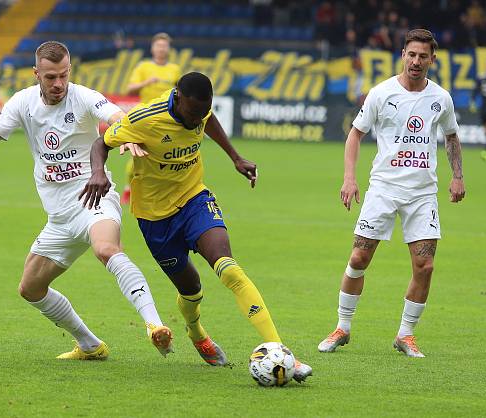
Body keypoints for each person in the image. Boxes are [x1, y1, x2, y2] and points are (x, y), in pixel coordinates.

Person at [80, 72, 313, 382]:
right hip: (154, 217)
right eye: (192, 114)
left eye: (202, 113)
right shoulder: (145, 118)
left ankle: (283, 353)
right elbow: (100, 143)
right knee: (190, 289)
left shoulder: (200, 111)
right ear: (178, 98)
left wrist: (235, 156)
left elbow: (210, 120)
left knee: (228, 267)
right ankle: (196, 332)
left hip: (193, 199)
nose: (196, 121)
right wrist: (98, 173)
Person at [0, 41, 173, 361]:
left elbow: (117, 115)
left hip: (95, 198)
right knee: (30, 289)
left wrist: (127, 136)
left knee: (106, 249)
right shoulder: (22, 102)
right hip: (59, 218)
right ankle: (90, 345)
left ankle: (154, 325)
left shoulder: (84, 96)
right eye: (50, 77)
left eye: (63, 75)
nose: (58, 84)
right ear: (36, 74)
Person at [316, 29, 466, 358]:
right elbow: (355, 135)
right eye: (411, 55)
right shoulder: (382, 93)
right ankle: (342, 326)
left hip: (422, 191)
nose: (416, 61)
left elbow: (451, 136)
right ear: (403, 55)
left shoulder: (441, 98)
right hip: (383, 188)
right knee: (359, 257)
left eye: (422, 56)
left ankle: (405, 335)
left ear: (432, 59)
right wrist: (349, 178)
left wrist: (457, 176)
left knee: (424, 266)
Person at [119, 32, 181, 204]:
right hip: (146, 118)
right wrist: (146, 83)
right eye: (158, 46)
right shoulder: (143, 67)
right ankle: (128, 189)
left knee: (169, 156)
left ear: (168, 49)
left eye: (164, 46)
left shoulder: (174, 69)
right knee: (138, 155)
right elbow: (130, 89)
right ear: (153, 48)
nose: (161, 49)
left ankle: (164, 193)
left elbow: (180, 92)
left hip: (168, 119)